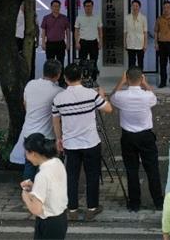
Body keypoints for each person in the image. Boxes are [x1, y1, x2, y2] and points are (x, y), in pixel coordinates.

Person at [51, 63, 113, 221]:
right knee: (92, 175)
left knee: (71, 177)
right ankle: (92, 208)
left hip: (71, 144)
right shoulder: (91, 94)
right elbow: (108, 109)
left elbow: (56, 121)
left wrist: (59, 139)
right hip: (91, 142)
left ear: (65, 78)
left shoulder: (58, 98)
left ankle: (72, 209)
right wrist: (102, 96)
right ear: (81, 77)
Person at [110, 68, 162, 212]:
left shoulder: (121, 96)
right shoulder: (147, 96)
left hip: (128, 136)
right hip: (146, 136)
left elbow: (112, 96)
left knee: (131, 171)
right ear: (141, 78)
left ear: (127, 78)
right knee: (152, 170)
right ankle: (158, 201)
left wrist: (121, 82)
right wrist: (145, 84)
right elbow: (153, 97)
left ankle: (134, 204)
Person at [9, 59, 62, 180]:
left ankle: (27, 190)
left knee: (29, 166)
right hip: (47, 137)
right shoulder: (59, 92)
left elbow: (25, 105)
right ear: (58, 74)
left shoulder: (30, 84)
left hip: (29, 133)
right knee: (48, 168)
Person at [21, 133, 68, 240]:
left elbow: (36, 209)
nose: (26, 157)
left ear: (33, 153)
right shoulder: (57, 162)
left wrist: (25, 196)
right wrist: (34, 187)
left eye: (26, 153)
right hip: (61, 218)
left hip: (48, 222)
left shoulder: (42, 175)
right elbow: (52, 187)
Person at [41, 0, 70, 68]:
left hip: (61, 43)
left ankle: (61, 75)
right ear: (51, 7)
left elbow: (67, 31)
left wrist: (68, 42)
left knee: (61, 63)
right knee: (49, 64)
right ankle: (50, 75)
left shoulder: (64, 18)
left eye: (58, 6)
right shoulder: (46, 18)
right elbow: (43, 31)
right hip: (50, 44)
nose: (56, 8)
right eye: (54, 6)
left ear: (60, 7)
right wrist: (43, 43)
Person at [75, 0, 103, 64]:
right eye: (86, 6)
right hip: (83, 42)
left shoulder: (97, 17)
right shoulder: (79, 17)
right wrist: (77, 42)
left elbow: (100, 31)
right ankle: (82, 71)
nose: (88, 8)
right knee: (82, 62)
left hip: (94, 42)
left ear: (92, 7)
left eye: (90, 6)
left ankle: (94, 71)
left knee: (94, 62)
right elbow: (76, 31)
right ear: (84, 7)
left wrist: (100, 42)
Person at [124, 0, 147, 69]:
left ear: (139, 7)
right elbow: (125, 32)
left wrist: (145, 44)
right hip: (130, 43)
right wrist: (125, 43)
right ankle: (131, 75)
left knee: (140, 62)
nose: (135, 7)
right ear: (131, 7)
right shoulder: (127, 18)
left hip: (140, 43)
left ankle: (140, 75)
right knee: (131, 62)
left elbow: (145, 32)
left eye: (137, 6)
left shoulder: (143, 18)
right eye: (133, 6)